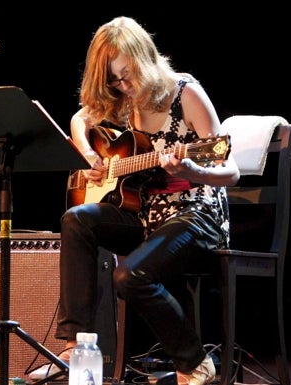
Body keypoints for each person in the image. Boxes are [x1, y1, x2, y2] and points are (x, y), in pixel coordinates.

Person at [29, 16, 240, 385]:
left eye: (127, 74)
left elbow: (230, 170)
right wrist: (88, 155)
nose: (123, 85)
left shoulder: (185, 93)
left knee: (130, 275)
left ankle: (195, 363)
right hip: (144, 213)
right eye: (113, 79)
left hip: (197, 212)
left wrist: (193, 170)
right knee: (76, 220)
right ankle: (73, 348)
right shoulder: (121, 101)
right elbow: (80, 119)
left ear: (145, 58)